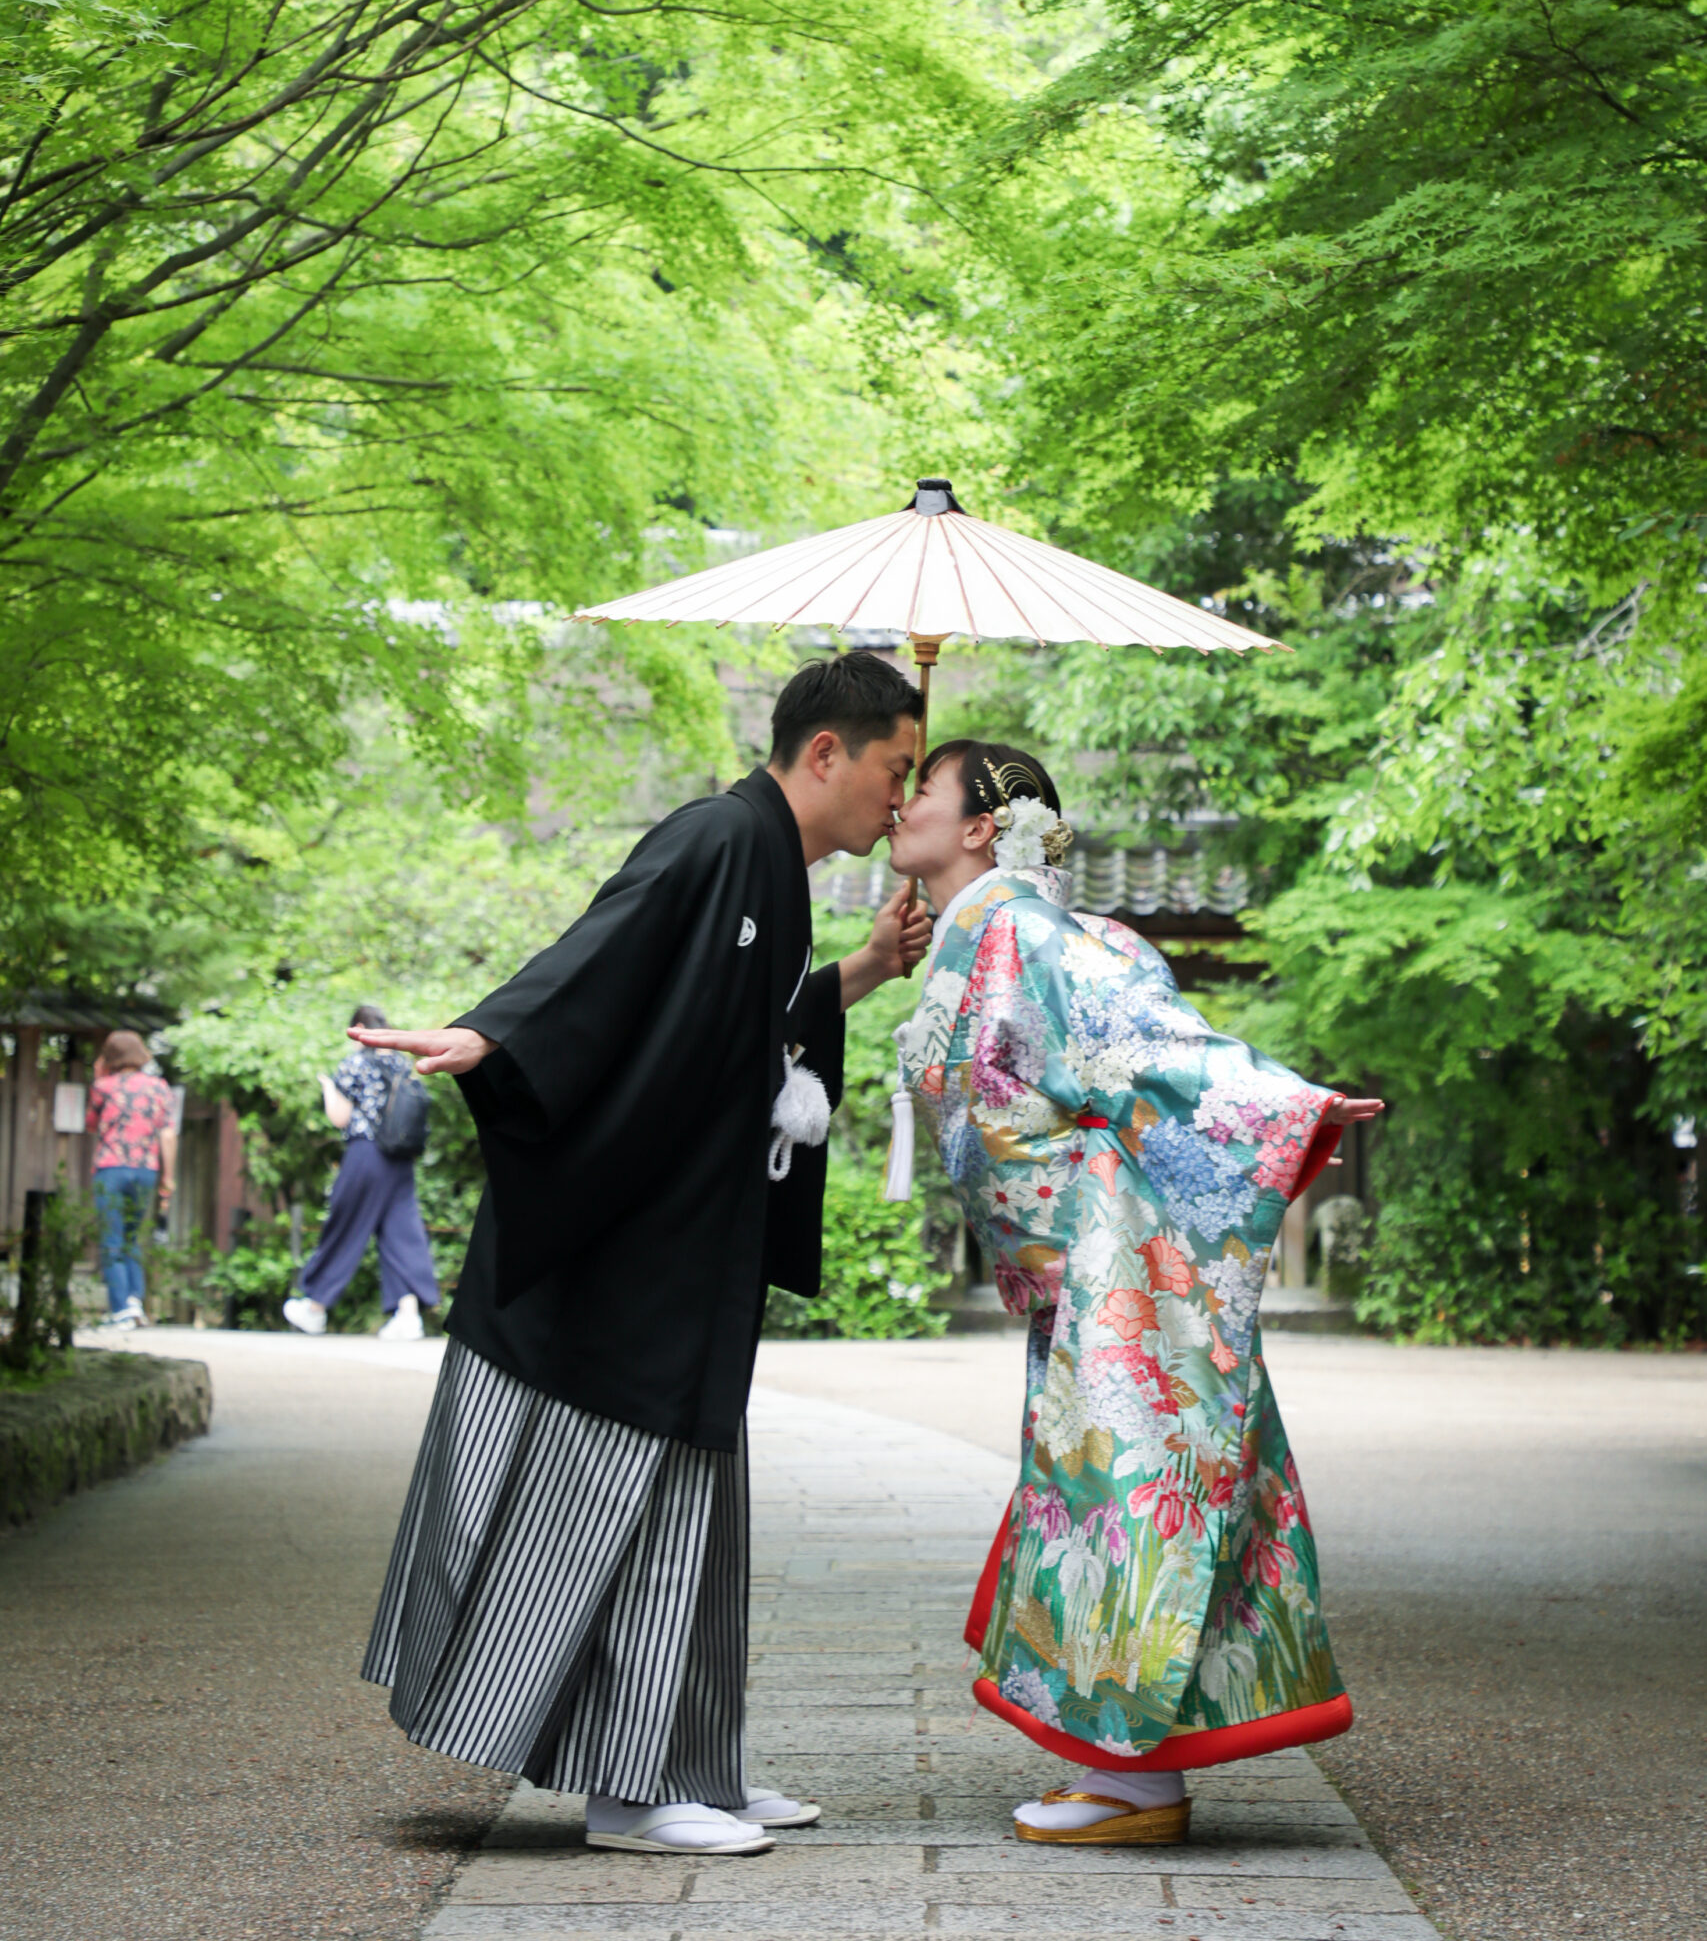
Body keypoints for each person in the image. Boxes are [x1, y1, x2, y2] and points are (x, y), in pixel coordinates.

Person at [349, 654, 934, 1859]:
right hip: (631, 1251)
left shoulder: (772, 863)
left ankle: (695, 1764)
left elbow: (730, 1027)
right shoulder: (719, 837)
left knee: (696, 1509)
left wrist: (862, 972)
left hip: (687, 1242)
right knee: (633, 1499)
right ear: (825, 751)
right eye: (895, 768)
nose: (900, 797)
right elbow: (605, 960)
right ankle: (628, 1789)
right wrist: (492, 1034)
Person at [886, 741, 1383, 1848]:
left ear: (984, 824)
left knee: (1131, 1488)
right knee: (1107, 1487)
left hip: (1117, 1250)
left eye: (923, 786)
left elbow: (1146, 1042)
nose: (898, 803)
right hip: (1080, 1263)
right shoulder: (981, 932)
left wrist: (1286, 1105)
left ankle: (1141, 1780)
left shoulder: (1032, 931)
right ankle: (1116, 1761)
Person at [283, 1006, 442, 1342]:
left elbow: (340, 1117)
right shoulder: (399, 1064)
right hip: (400, 1159)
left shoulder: (355, 1064)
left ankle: (314, 1307)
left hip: (366, 1154)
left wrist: (328, 1086)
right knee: (401, 1231)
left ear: (357, 1029)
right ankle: (408, 1314)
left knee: (345, 1225)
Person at [85, 1032, 178, 1329]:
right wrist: (168, 1176)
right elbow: (167, 1134)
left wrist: (98, 1075)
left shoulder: (103, 1087)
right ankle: (134, 1302)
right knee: (131, 1236)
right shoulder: (159, 1088)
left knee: (111, 1239)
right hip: (145, 1170)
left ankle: (120, 1310)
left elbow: (90, 1125)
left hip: (111, 1168)